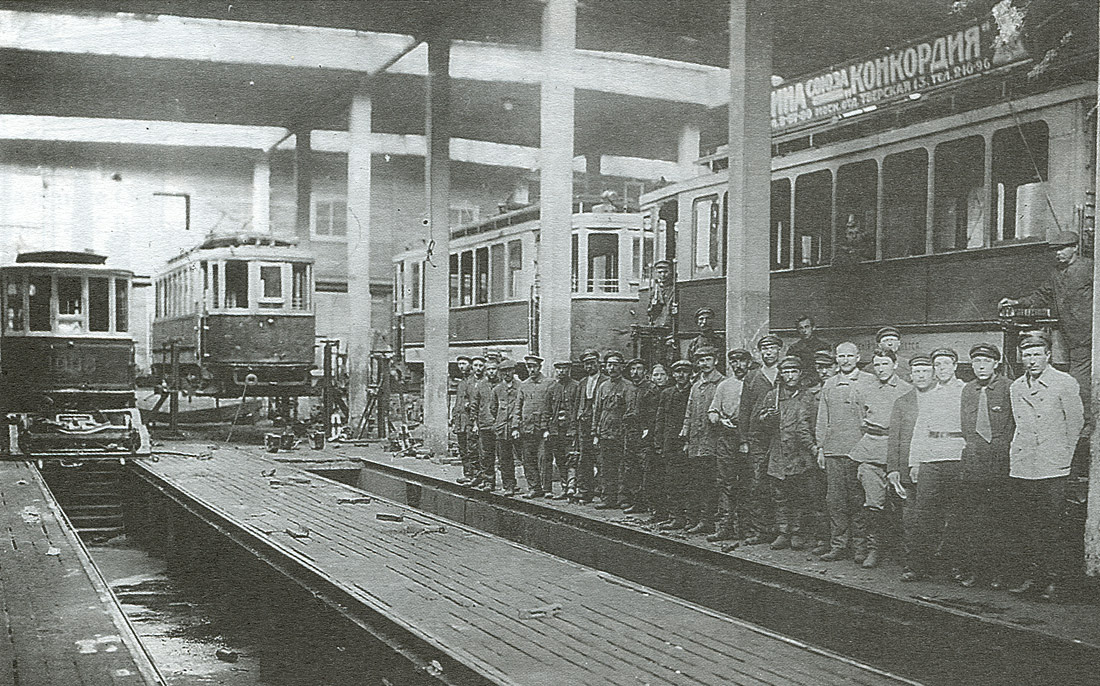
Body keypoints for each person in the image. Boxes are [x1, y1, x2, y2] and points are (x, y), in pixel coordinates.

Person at [1007, 334, 1083, 601]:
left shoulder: (1064, 383)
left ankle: (1053, 581)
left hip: (1053, 466)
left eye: (1037, 354)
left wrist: (1064, 455)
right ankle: (1034, 578)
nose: (1032, 360)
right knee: (1027, 525)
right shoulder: (1016, 386)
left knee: (1052, 525)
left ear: (1048, 355)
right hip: (1025, 465)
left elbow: (1075, 423)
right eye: (1027, 355)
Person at [999, 231, 1092, 437]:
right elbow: (1041, 295)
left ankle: (1086, 424)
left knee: (1079, 379)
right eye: (1055, 250)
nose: (1058, 253)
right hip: (1070, 335)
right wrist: (1017, 302)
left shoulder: (1089, 268)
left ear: (1075, 247)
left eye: (1062, 248)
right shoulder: (1056, 274)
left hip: (1088, 334)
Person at [887, 351, 965, 581]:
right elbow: (920, 431)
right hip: (931, 459)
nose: (941, 369)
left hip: (956, 457)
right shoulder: (931, 394)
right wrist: (914, 462)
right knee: (923, 516)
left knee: (956, 515)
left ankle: (954, 568)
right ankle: (917, 566)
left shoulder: (965, 390)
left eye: (945, 364)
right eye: (937, 365)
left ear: (955, 366)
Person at [957, 343, 1015, 589]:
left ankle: (999, 574)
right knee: (973, 522)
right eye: (976, 362)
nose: (981, 367)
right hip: (973, 465)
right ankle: (976, 571)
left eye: (986, 362)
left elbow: (1015, 425)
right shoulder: (968, 390)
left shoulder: (1009, 388)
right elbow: (965, 428)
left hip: (1000, 465)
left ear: (996, 364)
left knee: (1000, 522)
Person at [849, 346, 912, 568]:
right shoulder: (865, 388)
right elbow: (860, 418)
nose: (881, 369)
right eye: (876, 364)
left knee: (901, 506)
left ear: (895, 364)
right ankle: (874, 549)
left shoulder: (906, 389)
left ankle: (902, 552)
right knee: (873, 505)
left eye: (885, 364)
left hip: (896, 451)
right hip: (871, 450)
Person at [815, 342, 875, 561]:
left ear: (858, 357)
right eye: (841, 356)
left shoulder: (869, 381)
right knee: (836, 501)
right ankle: (839, 544)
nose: (846, 360)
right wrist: (821, 448)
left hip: (860, 451)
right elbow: (823, 419)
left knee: (859, 500)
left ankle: (860, 547)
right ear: (836, 359)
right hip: (834, 451)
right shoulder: (829, 384)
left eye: (850, 355)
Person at [758, 356, 818, 550]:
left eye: (794, 372)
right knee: (779, 495)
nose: (790, 376)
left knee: (799, 495)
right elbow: (761, 424)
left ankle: (797, 532)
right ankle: (783, 532)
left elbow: (814, 424)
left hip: (800, 454)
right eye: (786, 372)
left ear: (800, 374)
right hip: (778, 453)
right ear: (781, 375)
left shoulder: (807, 396)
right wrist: (768, 418)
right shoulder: (772, 396)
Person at [738, 334, 783, 544]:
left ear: (779, 351)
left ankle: (783, 530)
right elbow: (744, 409)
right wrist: (743, 439)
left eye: (772, 348)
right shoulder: (752, 377)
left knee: (781, 484)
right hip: (757, 438)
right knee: (757, 484)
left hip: (781, 437)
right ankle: (762, 529)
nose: (768, 352)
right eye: (764, 349)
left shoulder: (786, 374)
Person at [706, 348, 750, 543]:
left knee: (748, 484)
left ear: (748, 363)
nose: (737, 365)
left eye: (741, 361)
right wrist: (719, 420)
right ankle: (725, 527)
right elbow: (712, 411)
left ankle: (746, 528)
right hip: (727, 438)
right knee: (726, 483)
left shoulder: (754, 382)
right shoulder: (725, 385)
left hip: (750, 438)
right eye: (734, 362)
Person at [680, 346, 725, 534]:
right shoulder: (696, 385)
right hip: (696, 442)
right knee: (696, 482)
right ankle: (695, 519)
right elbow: (689, 412)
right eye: (700, 360)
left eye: (708, 359)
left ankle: (708, 521)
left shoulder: (722, 383)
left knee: (710, 483)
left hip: (713, 442)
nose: (704, 364)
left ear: (715, 360)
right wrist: (686, 436)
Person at [592, 351, 638, 509]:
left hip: (621, 434)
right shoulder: (603, 387)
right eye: (609, 365)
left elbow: (631, 412)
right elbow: (597, 410)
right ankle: (607, 498)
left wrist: (627, 432)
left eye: (615, 365)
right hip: (605, 433)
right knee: (606, 467)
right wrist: (595, 432)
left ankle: (622, 498)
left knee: (623, 467)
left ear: (622, 367)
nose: (612, 368)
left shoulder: (628, 387)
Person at [656, 359, 694, 529]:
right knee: (671, 481)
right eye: (678, 372)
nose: (681, 375)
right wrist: (659, 441)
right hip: (670, 443)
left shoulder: (693, 392)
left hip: (687, 443)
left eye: (685, 371)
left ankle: (689, 517)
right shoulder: (667, 393)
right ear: (673, 374)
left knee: (688, 482)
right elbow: (660, 419)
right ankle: (675, 516)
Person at [515, 354, 553, 498]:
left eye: (534, 367)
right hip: (527, 428)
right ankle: (534, 488)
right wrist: (515, 427)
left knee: (544, 459)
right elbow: (518, 407)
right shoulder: (523, 385)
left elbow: (553, 407)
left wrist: (548, 428)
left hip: (543, 429)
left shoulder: (549, 383)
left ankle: (547, 489)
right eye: (529, 367)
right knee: (528, 460)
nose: (531, 370)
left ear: (539, 367)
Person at [622, 358, 656, 513]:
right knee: (631, 468)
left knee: (645, 468)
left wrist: (647, 430)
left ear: (645, 372)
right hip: (630, 433)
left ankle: (648, 502)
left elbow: (653, 414)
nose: (635, 372)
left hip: (644, 434)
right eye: (633, 369)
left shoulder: (651, 389)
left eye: (639, 369)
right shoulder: (629, 389)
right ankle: (636, 501)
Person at [574, 349, 606, 503]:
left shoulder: (605, 381)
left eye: (592, 363)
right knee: (584, 457)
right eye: (586, 364)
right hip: (584, 424)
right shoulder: (582, 382)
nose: (589, 367)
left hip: (599, 423)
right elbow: (577, 405)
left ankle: (601, 489)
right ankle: (584, 490)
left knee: (601, 458)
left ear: (598, 363)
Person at [641, 363, 670, 517]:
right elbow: (643, 415)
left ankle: (666, 510)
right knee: (652, 474)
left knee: (666, 475)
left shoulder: (671, 392)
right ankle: (655, 509)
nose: (659, 378)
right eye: (656, 375)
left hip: (667, 438)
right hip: (651, 438)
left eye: (662, 375)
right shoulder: (649, 394)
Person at [547, 360, 579, 500]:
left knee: (571, 458)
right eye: (558, 369)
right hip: (556, 430)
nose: (561, 371)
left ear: (569, 369)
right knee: (560, 459)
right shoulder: (552, 388)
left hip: (571, 429)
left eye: (564, 368)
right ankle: (565, 488)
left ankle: (572, 487)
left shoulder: (577, 386)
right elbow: (547, 409)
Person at [470, 359, 500, 491]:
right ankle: (489, 481)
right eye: (488, 369)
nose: (491, 371)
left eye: (493, 369)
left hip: (500, 425)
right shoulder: (481, 385)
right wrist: (475, 423)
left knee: (503, 456)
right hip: (484, 424)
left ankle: (508, 483)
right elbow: (474, 406)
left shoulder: (502, 385)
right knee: (486, 455)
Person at [493, 359, 521, 495]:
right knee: (504, 458)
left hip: (517, 428)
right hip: (502, 428)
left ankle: (534, 486)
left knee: (523, 456)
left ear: (513, 371)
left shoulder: (521, 387)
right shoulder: (497, 389)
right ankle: (509, 485)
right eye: (503, 371)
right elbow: (493, 408)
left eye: (509, 371)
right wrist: (499, 423)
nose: (506, 374)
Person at [452, 355, 480, 485]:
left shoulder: (475, 382)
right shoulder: (462, 382)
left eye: (464, 363)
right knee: (462, 449)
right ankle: (467, 474)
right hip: (460, 420)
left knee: (472, 448)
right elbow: (458, 401)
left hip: (470, 420)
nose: (461, 366)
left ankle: (476, 475)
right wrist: (453, 418)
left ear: (470, 365)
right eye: (459, 364)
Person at [788, 315, 831, 386]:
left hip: (819, 382)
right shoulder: (794, 348)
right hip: (800, 383)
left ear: (813, 328)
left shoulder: (823, 346)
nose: (804, 330)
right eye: (801, 328)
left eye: (807, 327)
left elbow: (827, 367)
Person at [687, 307, 725, 372]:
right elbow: (690, 364)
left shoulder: (721, 340)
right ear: (697, 322)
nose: (704, 322)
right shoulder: (694, 343)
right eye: (701, 319)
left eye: (708, 319)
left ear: (713, 321)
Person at [646, 260, 677, 328]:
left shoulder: (675, 289)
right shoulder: (654, 290)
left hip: (670, 324)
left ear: (671, 273)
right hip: (656, 324)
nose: (663, 275)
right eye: (660, 272)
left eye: (665, 272)